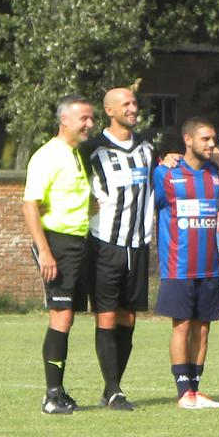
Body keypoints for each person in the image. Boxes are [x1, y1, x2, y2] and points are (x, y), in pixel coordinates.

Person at [153, 117, 219, 409]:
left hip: (211, 266)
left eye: (213, 138)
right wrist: (163, 159)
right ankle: (182, 392)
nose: (212, 144)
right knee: (182, 327)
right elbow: (150, 202)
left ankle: (195, 390)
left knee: (203, 329)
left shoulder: (214, 172)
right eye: (205, 139)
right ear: (187, 140)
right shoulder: (165, 173)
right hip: (178, 266)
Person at [80, 87, 155, 411]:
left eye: (135, 102)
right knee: (107, 315)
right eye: (126, 104)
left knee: (128, 318)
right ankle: (114, 391)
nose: (133, 108)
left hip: (138, 244)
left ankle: (112, 388)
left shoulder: (148, 148)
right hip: (105, 244)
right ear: (109, 111)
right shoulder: (91, 150)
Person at [23, 94, 95, 414]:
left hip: (79, 243)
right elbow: (30, 206)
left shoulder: (77, 154)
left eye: (91, 118)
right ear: (64, 120)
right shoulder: (47, 156)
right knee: (61, 316)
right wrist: (45, 251)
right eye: (84, 118)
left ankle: (58, 391)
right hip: (57, 244)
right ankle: (52, 395)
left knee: (68, 316)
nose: (89, 124)